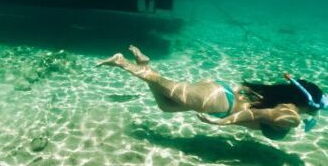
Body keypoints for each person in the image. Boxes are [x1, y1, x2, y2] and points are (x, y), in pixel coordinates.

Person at [97, 45, 327, 140]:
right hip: (220, 102)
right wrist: (222, 124)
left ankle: (145, 65)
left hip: (221, 93)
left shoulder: (282, 103)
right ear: (309, 103)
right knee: (166, 85)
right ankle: (122, 62)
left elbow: (257, 114)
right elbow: (254, 116)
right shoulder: (291, 117)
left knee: (166, 105)